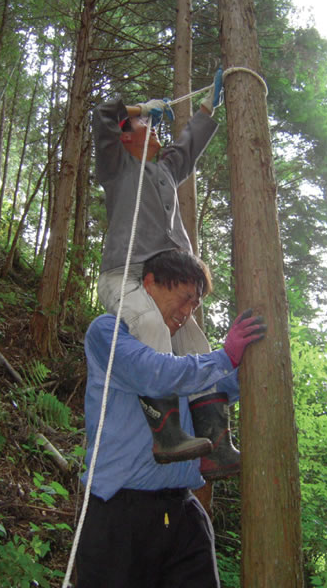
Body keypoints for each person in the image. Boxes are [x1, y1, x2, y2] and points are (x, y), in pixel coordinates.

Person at [75, 249, 266, 588]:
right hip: (119, 513)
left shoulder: (180, 353)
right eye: (185, 298)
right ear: (150, 284)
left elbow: (214, 385)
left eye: (195, 306)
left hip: (182, 511)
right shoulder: (108, 332)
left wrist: (253, 363)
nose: (187, 312)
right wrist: (223, 357)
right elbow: (152, 374)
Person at [92, 70, 238, 478]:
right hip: (126, 275)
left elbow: (187, 147)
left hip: (169, 281)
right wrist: (137, 108)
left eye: (153, 121)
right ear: (125, 136)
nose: (154, 126)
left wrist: (210, 106)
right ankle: (167, 435)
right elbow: (102, 114)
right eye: (144, 125)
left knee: (195, 342)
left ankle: (215, 443)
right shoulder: (116, 166)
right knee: (148, 323)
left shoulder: (163, 171)